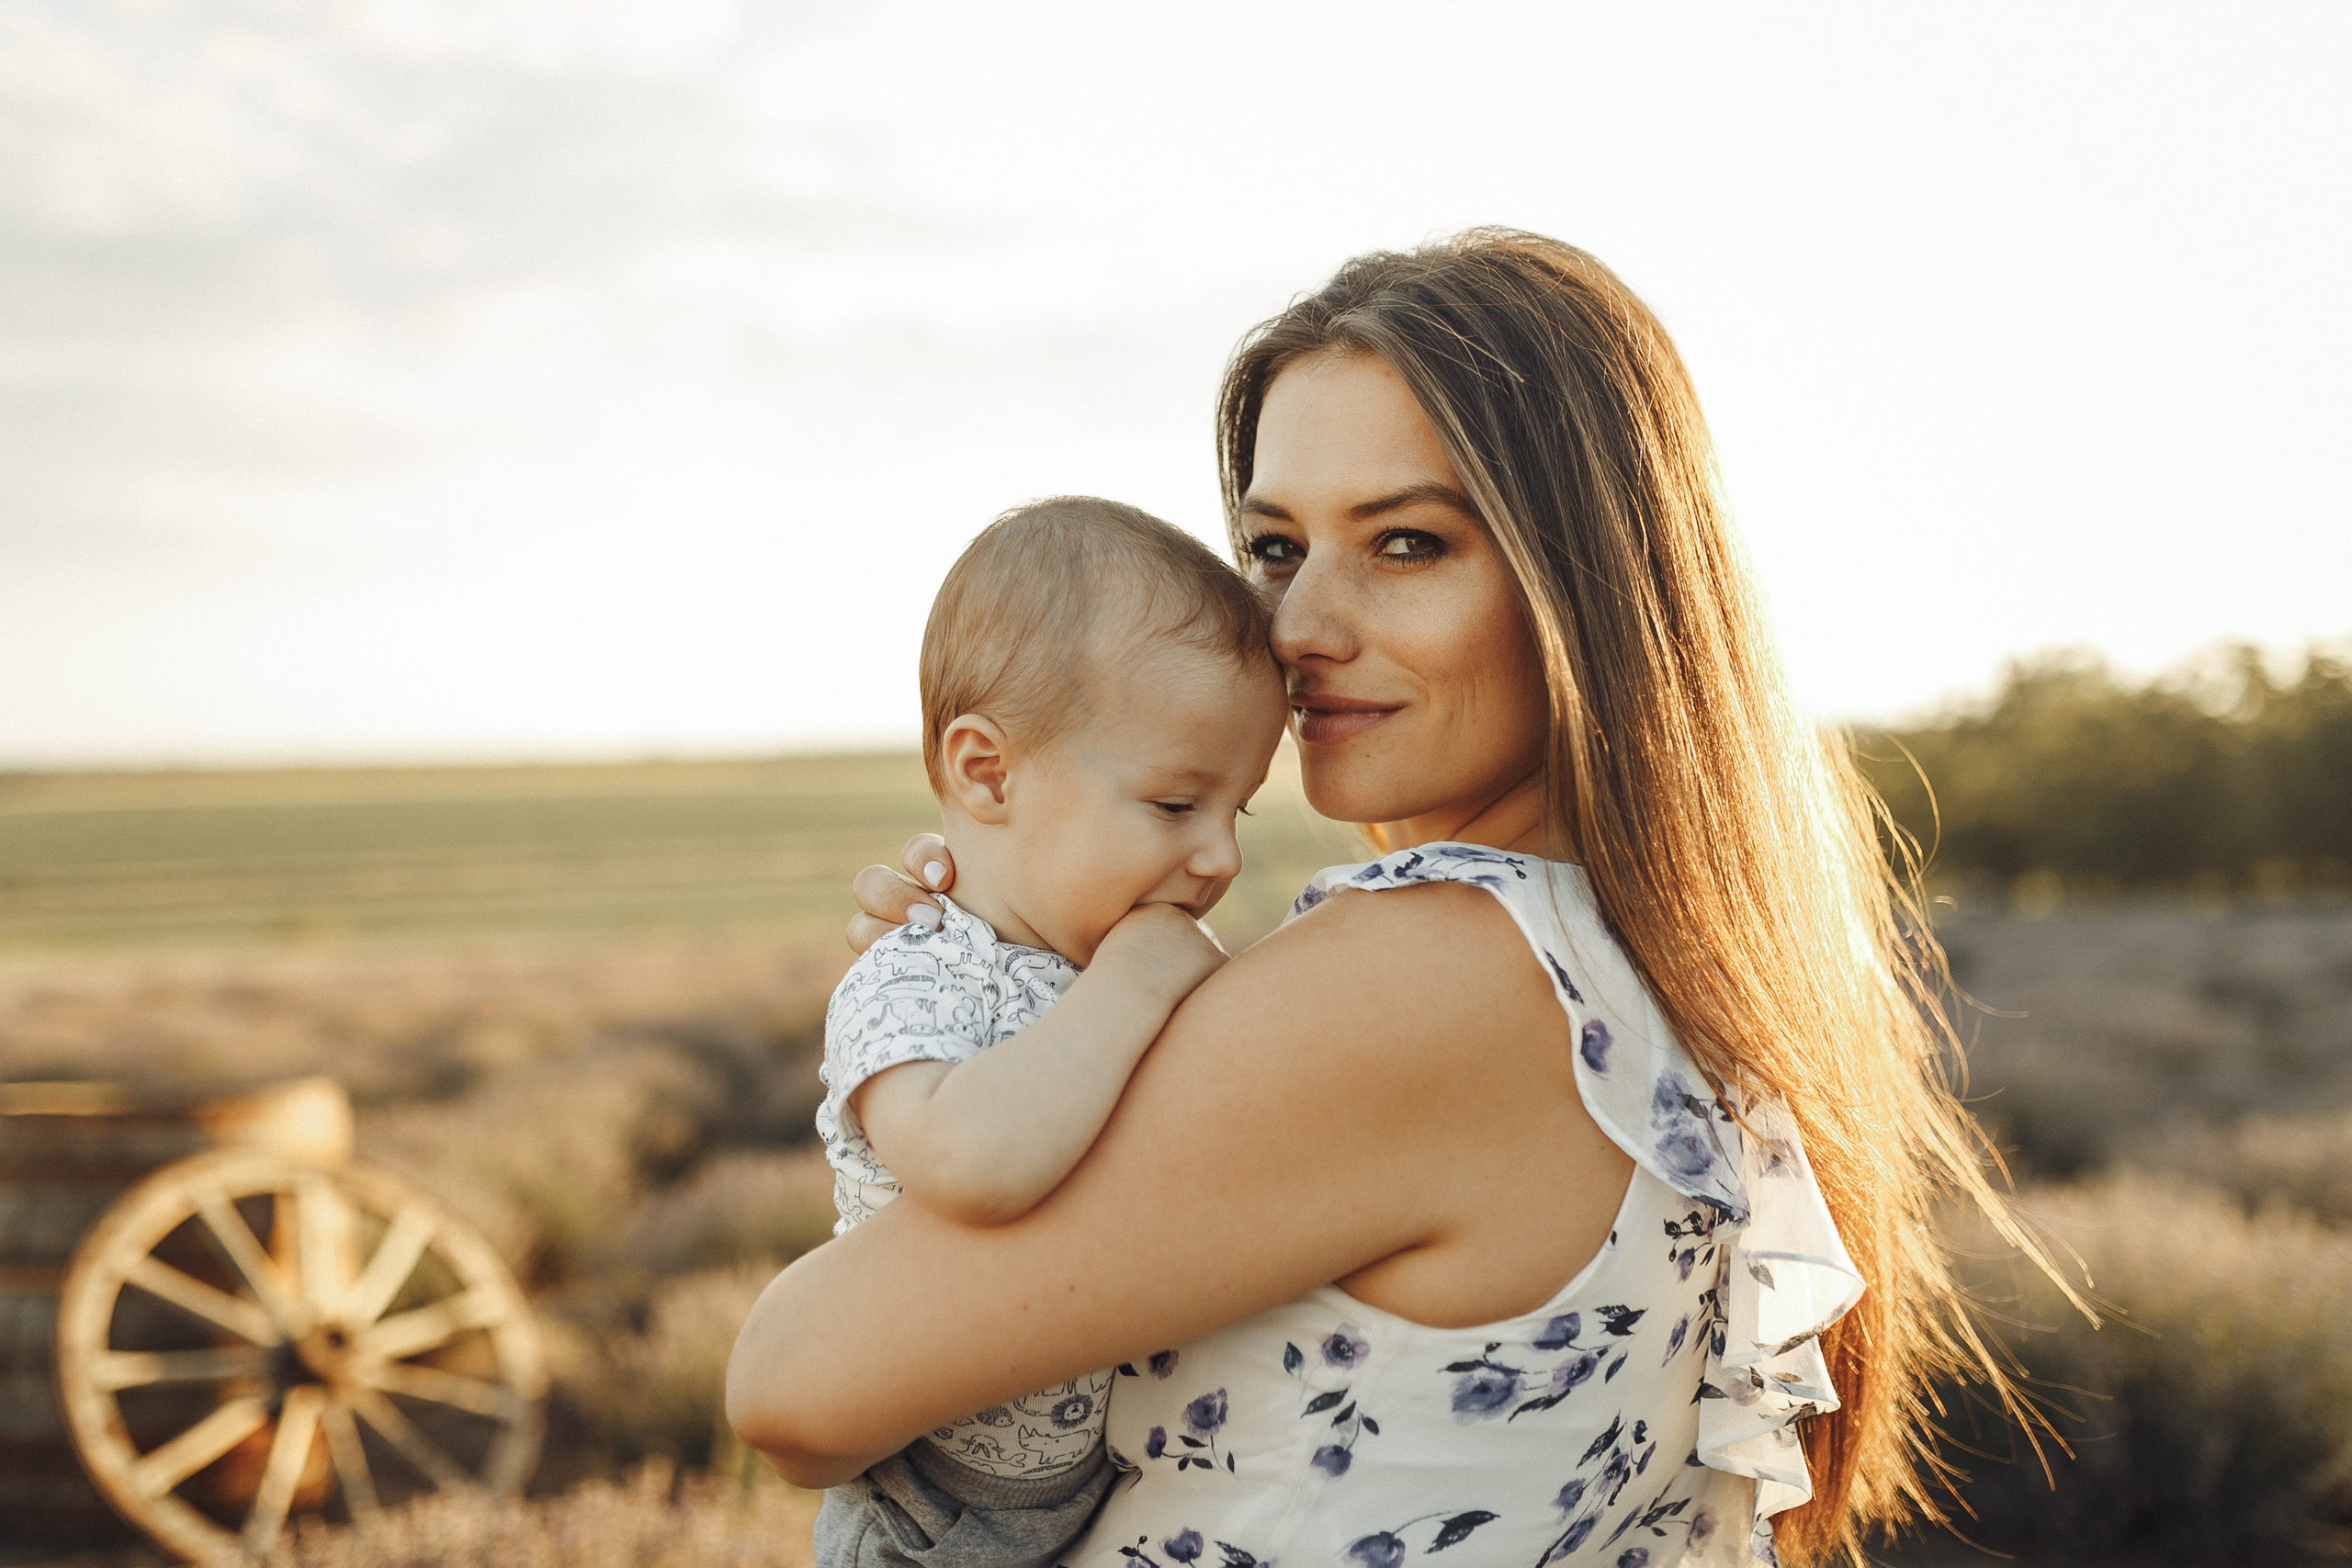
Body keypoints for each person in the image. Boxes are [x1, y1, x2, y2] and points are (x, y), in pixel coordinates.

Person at [729, 230, 2067, 1568]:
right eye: (1272, 544)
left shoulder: (1428, 973)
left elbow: (792, 1384)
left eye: (1407, 542)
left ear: (1587, 580)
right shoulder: (1643, 955)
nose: (1300, 622)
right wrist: (1006, 969)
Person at [810, 497, 1287, 1566]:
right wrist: (1132, 987)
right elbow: (973, 1163)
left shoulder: (1091, 962)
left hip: (1081, 1494)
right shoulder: (914, 971)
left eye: (1237, 812)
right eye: (1175, 806)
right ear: (987, 772)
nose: (1220, 858)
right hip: (926, 1515)